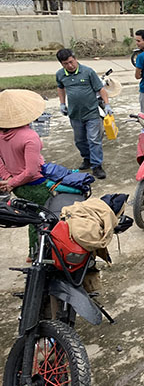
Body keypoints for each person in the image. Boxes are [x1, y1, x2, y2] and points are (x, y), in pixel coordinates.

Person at [0, 89, 50, 258]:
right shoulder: (30, 137)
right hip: (34, 184)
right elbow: (31, 171)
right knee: (45, 217)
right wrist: (12, 182)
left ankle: (33, 251)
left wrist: (8, 179)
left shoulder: (1, 134)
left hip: (16, 184)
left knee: (32, 217)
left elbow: (0, 160)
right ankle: (41, 253)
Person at [55, 48, 110, 180]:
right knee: (80, 140)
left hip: (91, 113)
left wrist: (107, 104)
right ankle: (87, 159)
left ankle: (97, 166)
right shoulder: (60, 74)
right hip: (74, 114)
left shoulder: (88, 72)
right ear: (61, 64)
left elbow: (100, 89)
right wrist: (62, 103)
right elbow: (60, 88)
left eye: (71, 62)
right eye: (65, 64)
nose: (70, 66)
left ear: (75, 58)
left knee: (93, 139)